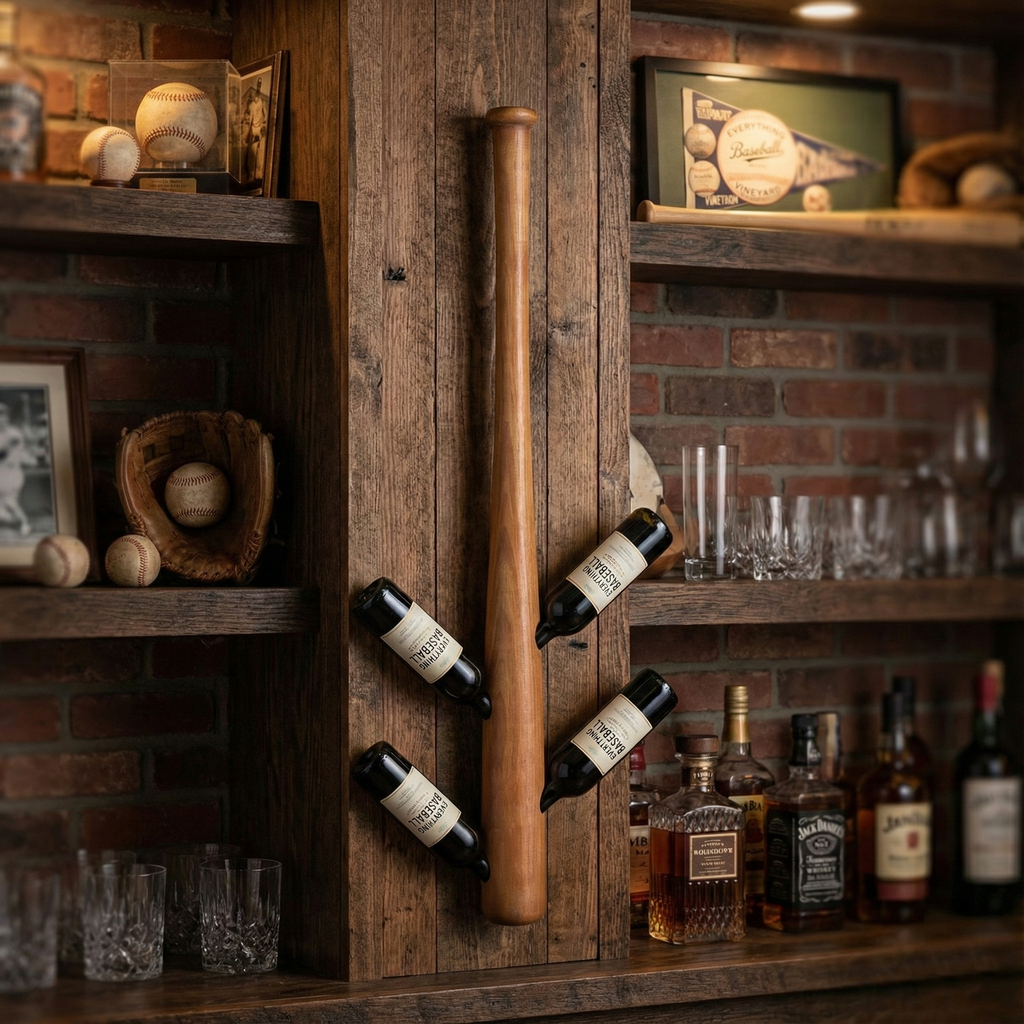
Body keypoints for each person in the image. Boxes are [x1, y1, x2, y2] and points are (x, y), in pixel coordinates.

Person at [0, 401, 32, 537]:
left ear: (7, 417)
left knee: (9, 501)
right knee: (3, 507)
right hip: (2, 471)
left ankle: (24, 523)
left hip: (11, 473)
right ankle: (16, 523)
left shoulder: (14, 433)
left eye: (2, 415)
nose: (1, 418)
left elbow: (4, 453)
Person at [242, 77, 269, 183]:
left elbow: (264, 117)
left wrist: (262, 127)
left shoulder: (259, 104)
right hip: (255, 129)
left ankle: (258, 175)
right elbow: (248, 119)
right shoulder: (253, 104)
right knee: (253, 154)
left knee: (258, 154)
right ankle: (253, 175)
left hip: (257, 129)